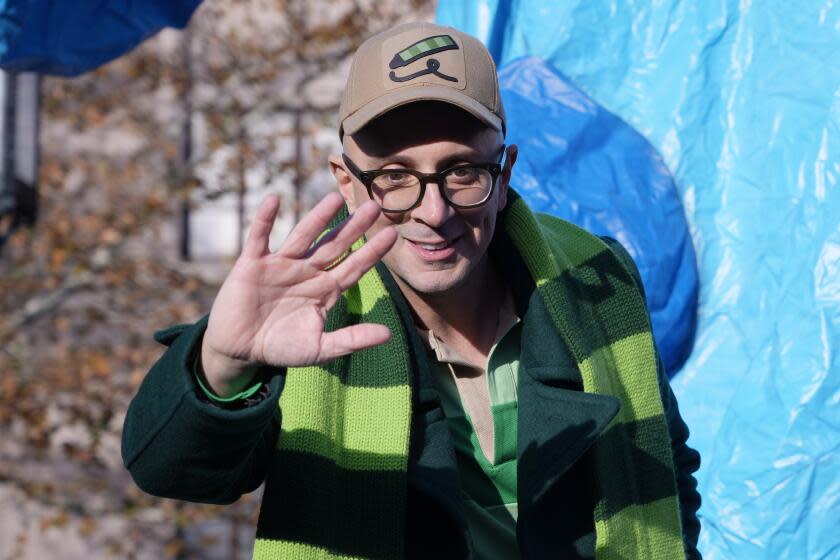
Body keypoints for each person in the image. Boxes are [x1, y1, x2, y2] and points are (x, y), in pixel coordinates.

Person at [122, 21, 701, 560]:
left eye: (462, 172)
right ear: (347, 184)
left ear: (505, 177)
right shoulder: (308, 314)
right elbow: (169, 471)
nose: (434, 210)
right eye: (394, 178)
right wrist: (223, 363)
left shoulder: (594, 279)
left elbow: (665, 471)